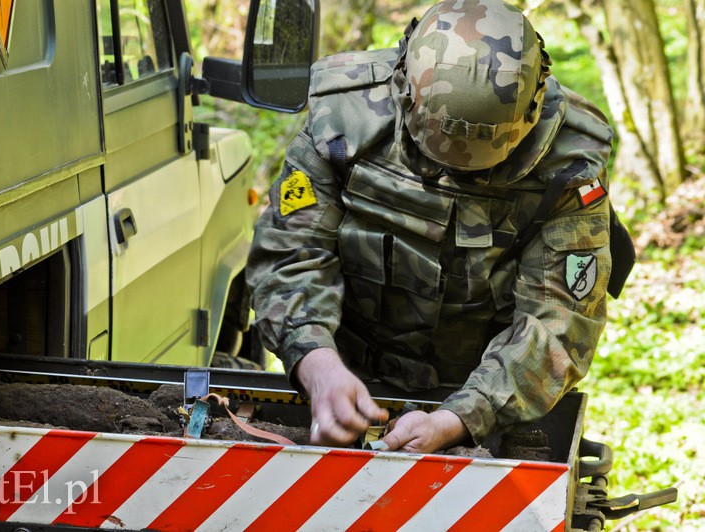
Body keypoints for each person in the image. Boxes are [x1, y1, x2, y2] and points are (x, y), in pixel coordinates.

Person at [246, 0, 614, 454]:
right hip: (345, 372)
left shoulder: (567, 167)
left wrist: (462, 415)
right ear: (405, 88)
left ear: (532, 110)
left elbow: (558, 321)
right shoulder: (345, 119)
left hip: (483, 393)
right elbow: (292, 252)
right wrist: (318, 365)